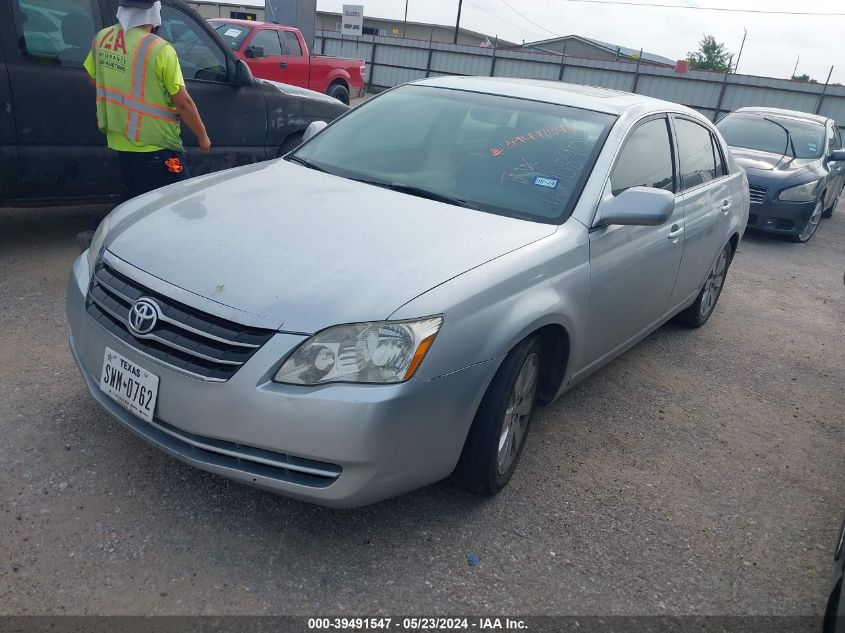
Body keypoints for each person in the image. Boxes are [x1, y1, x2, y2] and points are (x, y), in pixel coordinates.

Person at [78, 0, 211, 247]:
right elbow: (183, 102)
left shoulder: (102, 38)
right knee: (184, 198)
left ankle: (102, 235)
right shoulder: (160, 49)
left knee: (136, 195)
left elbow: (92, 80)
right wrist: (202, 136)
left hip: (120, 136)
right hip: (156, 143)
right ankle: (195, 249)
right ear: (153, 12)